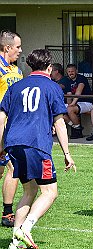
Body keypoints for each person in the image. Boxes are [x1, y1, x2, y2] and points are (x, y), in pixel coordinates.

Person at [0, 49, 75, 249]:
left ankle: (15, 242)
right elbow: (60, 124)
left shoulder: (15, 87)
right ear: (49, 68)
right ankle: (26, 228)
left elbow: (1, 118)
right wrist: (67, 154)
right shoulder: (52, 87)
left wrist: (0, 146)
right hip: (36, 145)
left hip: (14, 144)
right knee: (50, 192)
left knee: (30, 190)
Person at [0, 30, 23, 228]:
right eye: (17, 47)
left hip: (11, 126)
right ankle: (7, 213)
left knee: (9, 168)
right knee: (10, 168)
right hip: (0, 125)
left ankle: (7, 213)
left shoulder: (17, 71)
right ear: (7, 48)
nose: (20, 51)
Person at [64, 64, 93, 139]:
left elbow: (78, 92)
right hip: (76, 104)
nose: (71, 73)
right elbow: (69, 95)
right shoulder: (68, 81)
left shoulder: (81, 78)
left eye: (72, 71)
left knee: (70, 109)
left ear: (76, 71)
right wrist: (69, 104)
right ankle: (76, 127)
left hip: (86, 103)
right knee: (58, 109)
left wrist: (72, 104)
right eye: (69, 71)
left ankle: (77, 130)